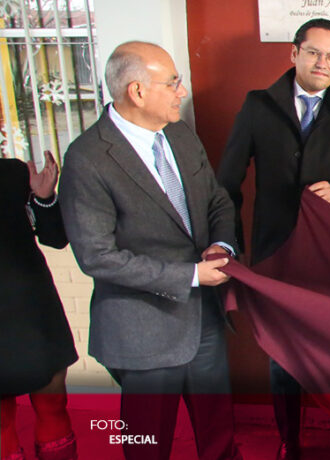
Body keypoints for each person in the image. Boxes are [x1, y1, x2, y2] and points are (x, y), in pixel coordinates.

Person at [58, 41, 241, 460]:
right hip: (142, 332)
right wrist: (191, 275)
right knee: (147, 444)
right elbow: (97, 257)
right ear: (137, 91)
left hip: (204, 322)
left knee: (219, 437)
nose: (181, 91)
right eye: (173, 82)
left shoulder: (179, 134)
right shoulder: (87, 159)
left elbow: (217, 200)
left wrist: (221, 243)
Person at [216, 18, 330, 460]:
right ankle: (290, 441)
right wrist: (231, 246)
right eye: (313, 53)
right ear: (294, 54)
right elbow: (226, 182)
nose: (322, 63)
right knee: (282, 355)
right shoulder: (257, 106)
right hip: (276, 252)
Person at [1, 152, 78, 460]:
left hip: (31, 305)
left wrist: (44, 197)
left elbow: (56, 238)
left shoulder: (13, 172)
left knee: (53, 404)